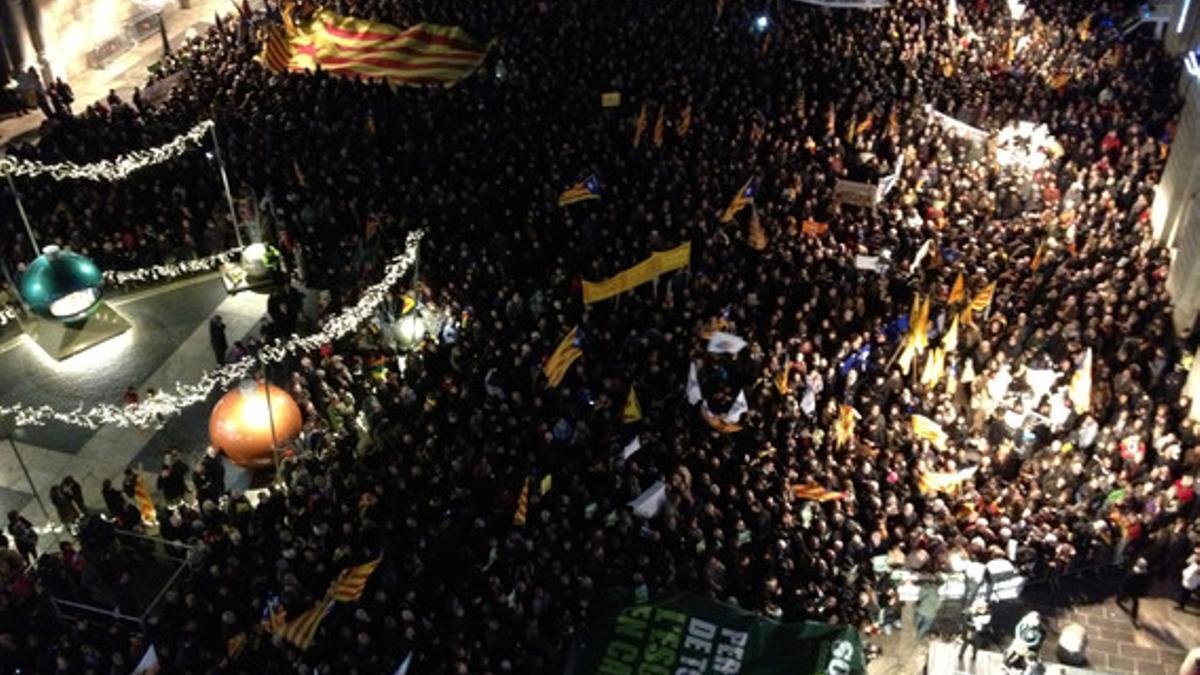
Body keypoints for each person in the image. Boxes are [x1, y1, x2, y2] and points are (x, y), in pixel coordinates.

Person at [1117, 557, 1152, 627]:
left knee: (1135, 602)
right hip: (1131, 589)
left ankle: (1133, 616)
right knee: (1133, 601)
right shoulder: (1135, 573)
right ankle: (1119, 600)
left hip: (1132, 590)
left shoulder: (1134, 572)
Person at [1181, 548, 1200, 612]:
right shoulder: (1195, 563)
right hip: (1191, 581)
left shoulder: (1197, 567)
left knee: (1185, 594)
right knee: (1185, 593)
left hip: (1191, 582)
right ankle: (1182, 605)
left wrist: (1184, 572)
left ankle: (1182, 606)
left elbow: (1192, 574)